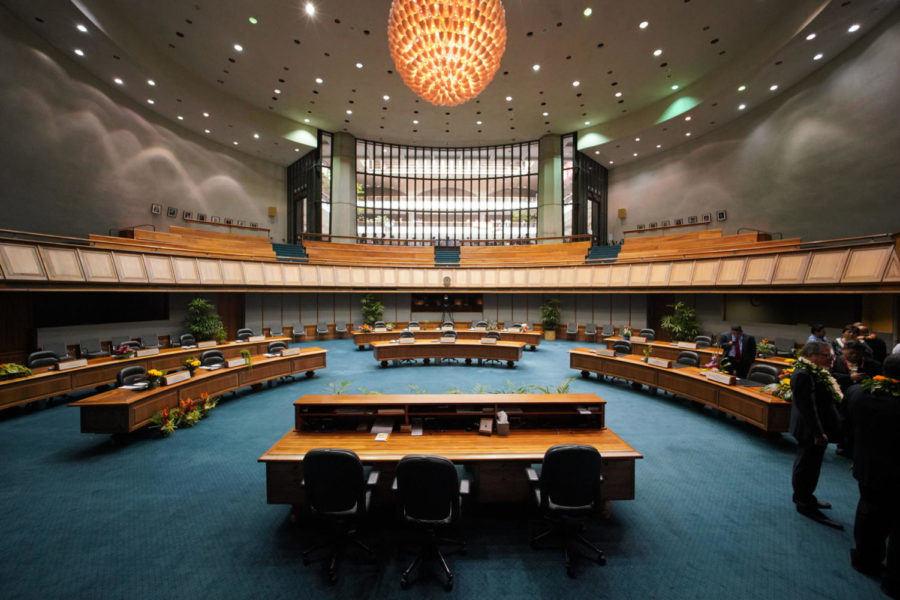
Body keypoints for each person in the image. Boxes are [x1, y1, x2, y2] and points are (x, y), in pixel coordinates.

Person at [845, 354, 900, 598]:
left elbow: (846, 427)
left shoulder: (857, 393)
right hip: (896, 473)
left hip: (866, 466)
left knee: (868, 512)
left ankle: (865, 560)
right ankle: (894, 580)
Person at [789, 342, 844, 529]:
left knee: (811, 465)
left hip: (814, 429)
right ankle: (803, 502)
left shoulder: (814, 372)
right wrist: (818, 432)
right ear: (811, 355)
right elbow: (808, 408)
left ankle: (806, 496)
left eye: (832, 356)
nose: (832, 359)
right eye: (827, 355)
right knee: (806, 465)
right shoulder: (804, 374)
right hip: (810, 430)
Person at [831, 340, 882, 457]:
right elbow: (830, 376)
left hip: (863, 399)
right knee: (843, 422)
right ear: (843, 351)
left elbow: (878, 379)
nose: (854, 356)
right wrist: (850, 377)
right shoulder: (834, 361)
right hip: (840, 397)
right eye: (851, 353)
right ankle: (843, 445)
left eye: (858, 354)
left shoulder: (873, 364)